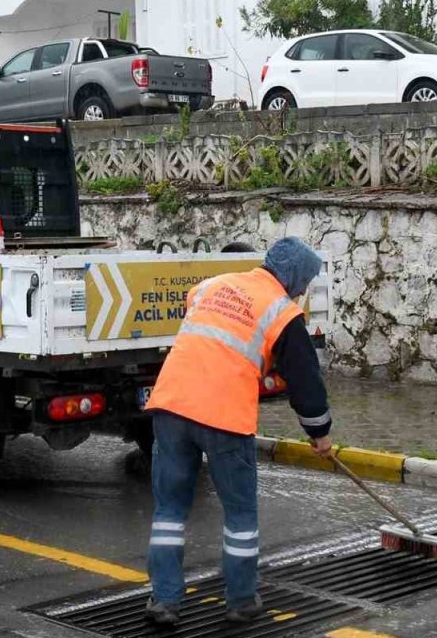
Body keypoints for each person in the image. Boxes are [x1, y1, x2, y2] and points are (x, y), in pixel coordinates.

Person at [142, 237, 333, 626]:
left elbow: (207, 336)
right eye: (305, 281)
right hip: (224, 416)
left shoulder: (212, 285)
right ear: (293, 275)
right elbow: (306, 382)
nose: (303, 290)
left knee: (169, 511)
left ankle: (164, 601)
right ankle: (242, 599)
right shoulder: (282, 312)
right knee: (240, 514)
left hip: (171, 404)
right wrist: (321, 435)